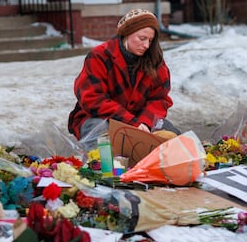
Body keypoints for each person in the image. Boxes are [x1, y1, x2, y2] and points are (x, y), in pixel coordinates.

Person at [68, 8, 177, 143]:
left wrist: (145, 123)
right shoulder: (99, 56)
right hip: (100, 118)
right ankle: (101, 164)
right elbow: (92, 98)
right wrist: (131, 123)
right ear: (127, 33)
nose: (146, 45)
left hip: (141, 121)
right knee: (101, 137)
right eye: (142, 38)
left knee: (172, 137)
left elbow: (159, 99)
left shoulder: (154, 60)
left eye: (150, 40)